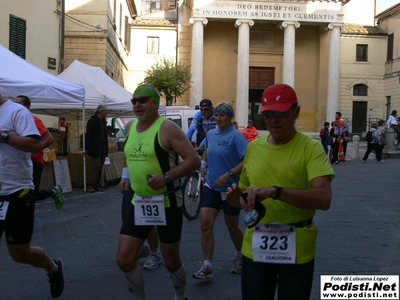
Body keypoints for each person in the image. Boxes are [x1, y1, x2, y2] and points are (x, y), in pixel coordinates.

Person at [226, 84, 335, 300]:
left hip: (298, 249)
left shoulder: (310, 148)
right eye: (268, 114)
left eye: (281, 113)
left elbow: (323, 199)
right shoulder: (254, 148)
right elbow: (249, 196)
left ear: (296, 112)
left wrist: (276, 192)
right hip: (256, 246)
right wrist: (238, 199)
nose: (274, 120)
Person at [116, 84, 200, 300]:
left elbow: (193, 160)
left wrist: (167, 177)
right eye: (134, 101)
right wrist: (125, 176)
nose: (137, 105)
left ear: (155, 102)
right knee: (124, 259)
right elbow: (129, 154)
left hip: (167, 201)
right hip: (140, 201)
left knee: (171, 260)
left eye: (142, 100)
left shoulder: (168, 128)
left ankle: (180, 296)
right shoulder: (131, 127)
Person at [0, 92, 64, 298]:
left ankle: (53, 268)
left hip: (17, 191)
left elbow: (37, 144)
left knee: (20, 253)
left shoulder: (16, 112)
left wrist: (3, 136)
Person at [192, 102, 248, 280]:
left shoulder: (237, 137)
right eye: (216, 115)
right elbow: (208, 150)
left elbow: (247, 161)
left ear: (230, 117)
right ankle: (207, 267)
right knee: (205, 224)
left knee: (232, 227)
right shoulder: (211, 133)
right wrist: (203, 164)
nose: (218, 118)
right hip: (211, 186)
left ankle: (240, 255)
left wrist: (229, 174)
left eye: (222, 115)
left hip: (230, 188)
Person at [14, 95, 64, 209]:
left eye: (18, 103)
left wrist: (32, 151)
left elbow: (49, 139)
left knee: (32, 194)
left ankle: (54, 192)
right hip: (19, 163)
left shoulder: (33, 119)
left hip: (35, 161)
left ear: (26, 107)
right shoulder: (13, 119)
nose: (14, 106)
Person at [119, 175, 162, 270]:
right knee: (126, 217)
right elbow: (126, 160)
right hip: (133, 181)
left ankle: (154, 253)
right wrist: (125, 177)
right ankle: (142, 248)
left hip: (149, 181)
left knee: (146, 220)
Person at [85, 105, 108, 193]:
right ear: (101, 111)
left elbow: (104, 135)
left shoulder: (103, 121)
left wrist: (106, 148)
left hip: (102, 147)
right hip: (95, 147)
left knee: (100, 166)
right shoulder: (92, 121)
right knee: (96, 166)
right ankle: (91, 185)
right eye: (106, 110)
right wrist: (88, 148)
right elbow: (89, 135)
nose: (107, 112)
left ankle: (97, 184)